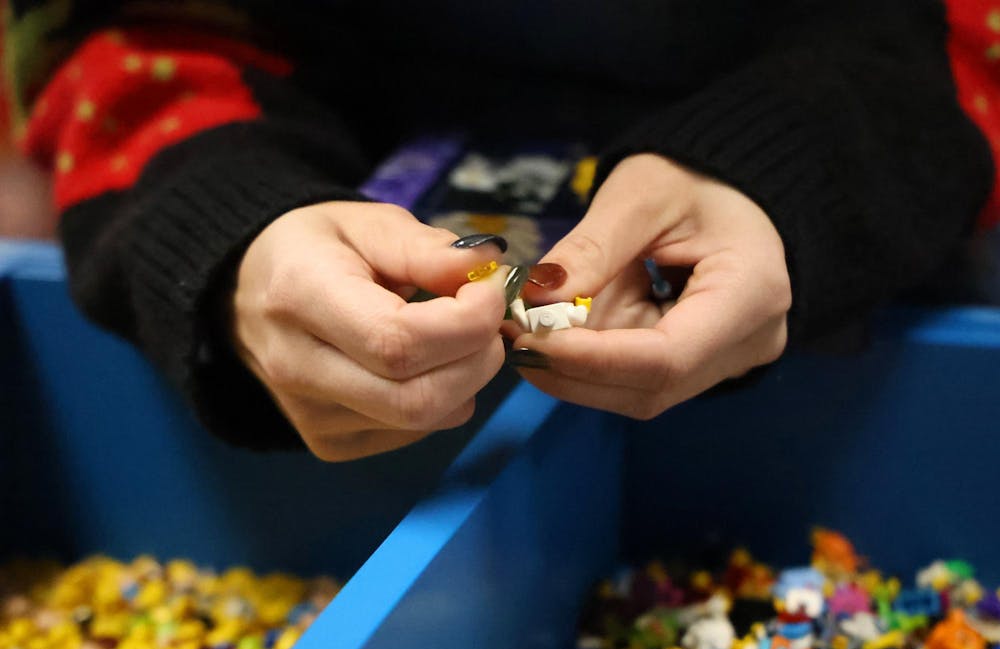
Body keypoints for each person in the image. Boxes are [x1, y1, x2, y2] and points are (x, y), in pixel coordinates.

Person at [3, 0, 995, 460]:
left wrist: (799, 172)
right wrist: (231, 228)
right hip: (342, 346)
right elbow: (117, 35)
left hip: (867, 294)